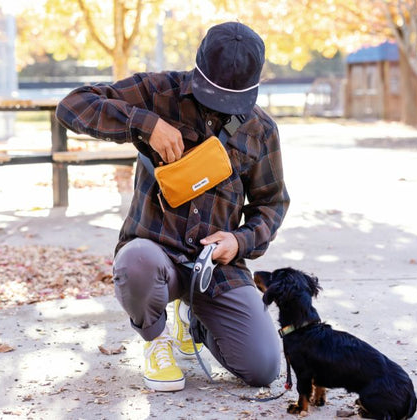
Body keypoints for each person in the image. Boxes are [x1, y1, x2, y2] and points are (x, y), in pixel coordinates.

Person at [56, 22, 289, 391]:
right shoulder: (157, 91)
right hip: (154, 253)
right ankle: (156, 339)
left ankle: (193, 318)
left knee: (262, 369)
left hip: (214, 266)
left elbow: (272, 204)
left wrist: (239, 241)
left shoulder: (260, 129)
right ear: (198, 69)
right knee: (135, 262)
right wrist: (145, 123)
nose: (219, 104)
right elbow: (72, 106)